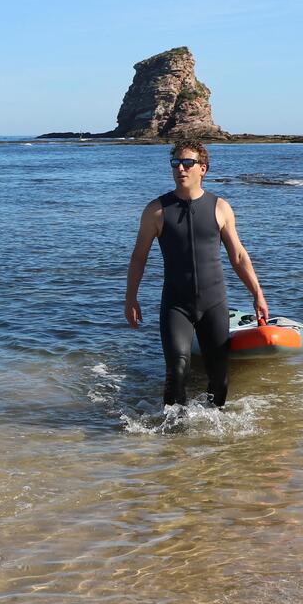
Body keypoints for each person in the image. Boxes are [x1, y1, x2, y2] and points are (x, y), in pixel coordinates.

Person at [124, 140, 268, 409]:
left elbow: (237, 256)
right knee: (177, 372)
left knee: (219, 379)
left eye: (188, 163)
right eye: (176, 162)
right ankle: (172, 440)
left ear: (203, 169)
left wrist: (257, 294)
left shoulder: (220, 207)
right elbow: (138, 257)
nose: (181, 168)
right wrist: (130, 298)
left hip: (214, 302)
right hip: (176, 304)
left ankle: (212, 439)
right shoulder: (156, 210)